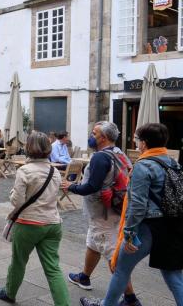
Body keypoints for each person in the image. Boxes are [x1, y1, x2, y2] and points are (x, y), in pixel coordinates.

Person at [80, 123, 183, 306]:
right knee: (173, 275)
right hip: (171, 227)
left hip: (147, 228)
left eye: (137, 140)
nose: (137, 143)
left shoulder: (144, 165)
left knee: (121, 269)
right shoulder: (173, 163)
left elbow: (137, 205)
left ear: (144, 143)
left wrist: (129, 234)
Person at [63, 122, 139, 305]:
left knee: (112, 256)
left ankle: (130, 298)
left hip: (102, 212)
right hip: (117, 207)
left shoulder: (99, 158)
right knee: (93, 243)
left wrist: (71, 186)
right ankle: (84, 276)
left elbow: (91, 187)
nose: (91, 135)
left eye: (94, 133)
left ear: (103, 137)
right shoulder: (120, 154)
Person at [0, 132, 69, 305]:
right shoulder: (54, 171)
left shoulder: (24, 171)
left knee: (19, 262)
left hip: (29, 223)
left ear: (29, 148)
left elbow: (17, 201)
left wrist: (13, 193)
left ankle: (9, 293)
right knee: (53, 268)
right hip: (53, 223)